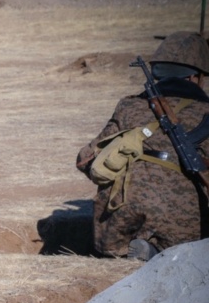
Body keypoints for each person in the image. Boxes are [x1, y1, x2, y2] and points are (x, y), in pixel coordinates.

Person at [76, 31, 209, 261]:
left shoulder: (130, 106)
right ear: (195, 77)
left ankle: (133, 249)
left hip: (121, 219)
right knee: (190, 248)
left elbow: (86, 159)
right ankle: (159, 252)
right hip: (187, 225)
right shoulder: (205, 112)